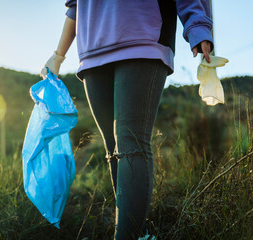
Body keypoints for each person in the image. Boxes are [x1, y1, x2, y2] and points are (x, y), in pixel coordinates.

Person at [40, 1, 213, 239]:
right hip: (92, 50)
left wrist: (198, 26)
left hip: (143, 35)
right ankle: (138, 233)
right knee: (114, 149)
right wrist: (58, 55)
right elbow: (75, 6)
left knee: (131, 144)